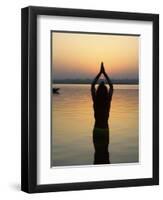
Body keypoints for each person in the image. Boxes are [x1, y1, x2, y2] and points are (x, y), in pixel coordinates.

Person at [91, 62, 114, 164]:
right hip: (104, 130)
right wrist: (104, 73)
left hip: (97, 130)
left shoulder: (96, 101)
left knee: (97, 154)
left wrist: (99, 73)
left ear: (98, 91)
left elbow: (92, 86)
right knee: (105, 153)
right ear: (105, 91)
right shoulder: (107, 101)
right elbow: (112, 87)